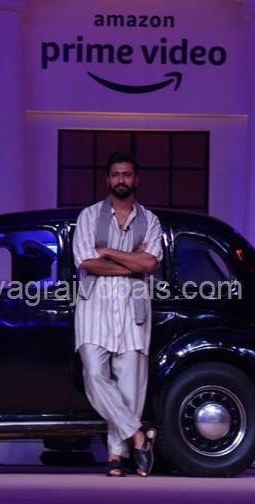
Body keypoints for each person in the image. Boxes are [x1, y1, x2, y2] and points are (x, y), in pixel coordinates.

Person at [72, 151, 163, 477]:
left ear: (135, 179)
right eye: (115, 174)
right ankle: (138, 435)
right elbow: (86, 261)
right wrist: (133, 262)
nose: (120, 179)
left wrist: (108, 252)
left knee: (129, 386)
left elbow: (150, 264)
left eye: (126, 174)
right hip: (94, 307)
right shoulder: (88, 216)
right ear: (107, 179)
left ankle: (116, 457)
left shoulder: (150, 220)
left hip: (132, 308)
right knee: (94, 375)